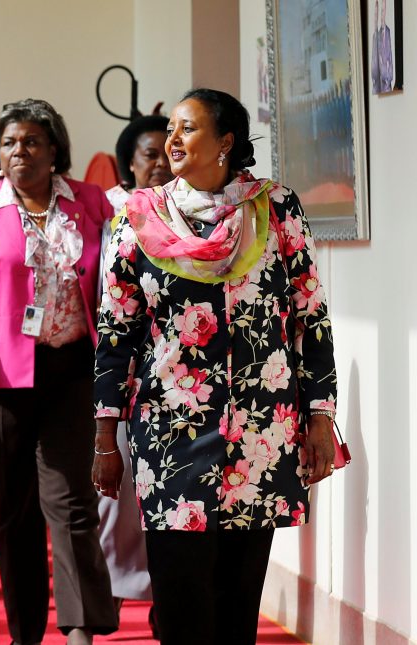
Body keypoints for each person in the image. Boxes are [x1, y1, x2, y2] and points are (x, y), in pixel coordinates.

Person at [92, 88, 338, 644]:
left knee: (236, 602)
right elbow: (115, 336)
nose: (172, 141)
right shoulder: (137, 220)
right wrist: (105, 438)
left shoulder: (276, 210)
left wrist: (320, 416)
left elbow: (311, 317)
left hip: (261, 433)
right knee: (181, 603)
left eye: (187, 129)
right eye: (171, 130)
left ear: (226, 142)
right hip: (168, 435)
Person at [0, 98, 118, 645]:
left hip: (71, 369)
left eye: (32, 141)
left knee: (72, 502)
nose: (20, 152)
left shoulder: (91, 202)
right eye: (10, 143)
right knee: (13, 513)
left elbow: (115, 279)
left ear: (55, 148)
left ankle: (80, 625)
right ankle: (25, 633)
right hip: (0, 377)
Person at [98, 115, 173, 625]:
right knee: (112, 495)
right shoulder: (109, 214)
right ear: (129, 162)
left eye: (169, 151)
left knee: (163, 499)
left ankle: (161, 598)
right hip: (112, 372)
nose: (162, 162)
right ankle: (105, 590)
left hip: (168, 380)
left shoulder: (192, 214)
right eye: (150, 153)